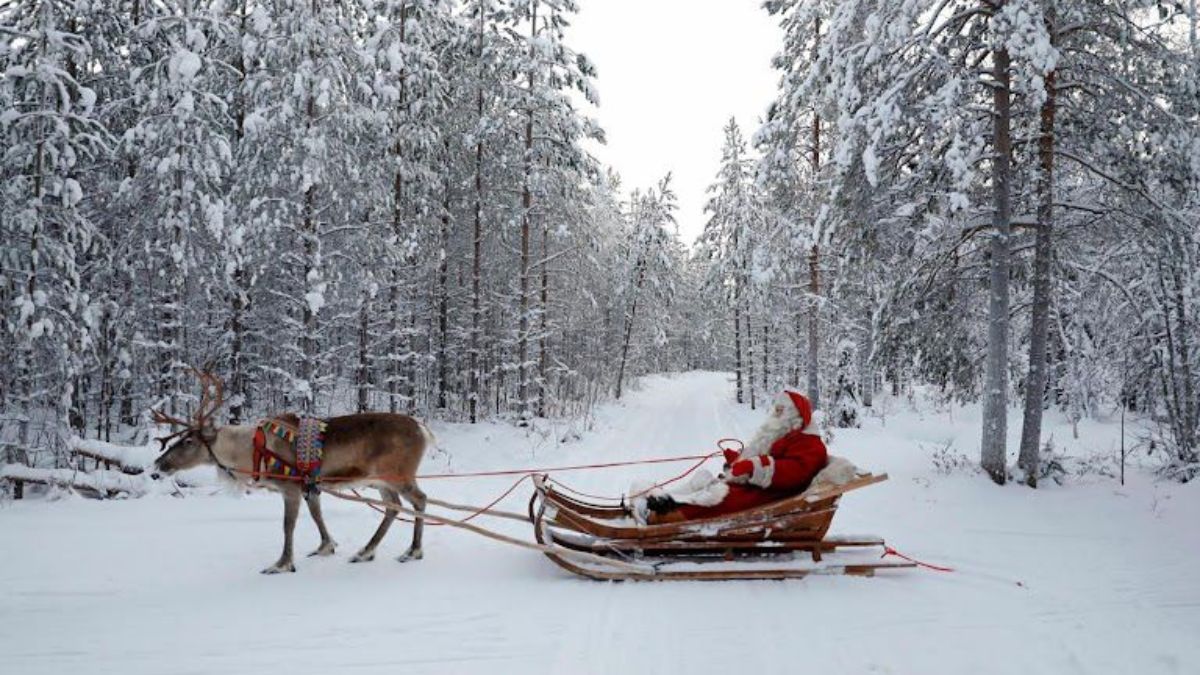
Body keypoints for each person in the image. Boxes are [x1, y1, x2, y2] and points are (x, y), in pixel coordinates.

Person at [643, 390, 828, 524]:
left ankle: (664, 517)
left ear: (795, 415)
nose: (775, 415)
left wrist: (753, 466)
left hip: (774, 495)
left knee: (720, 497)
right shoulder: (786, 434)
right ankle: (662, 502)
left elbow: (795, 472)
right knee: (706, 482)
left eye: (781, 411)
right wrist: (738, 460)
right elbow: (765, 459)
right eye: (776, 410)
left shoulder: (810, 443)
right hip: (761, 487)